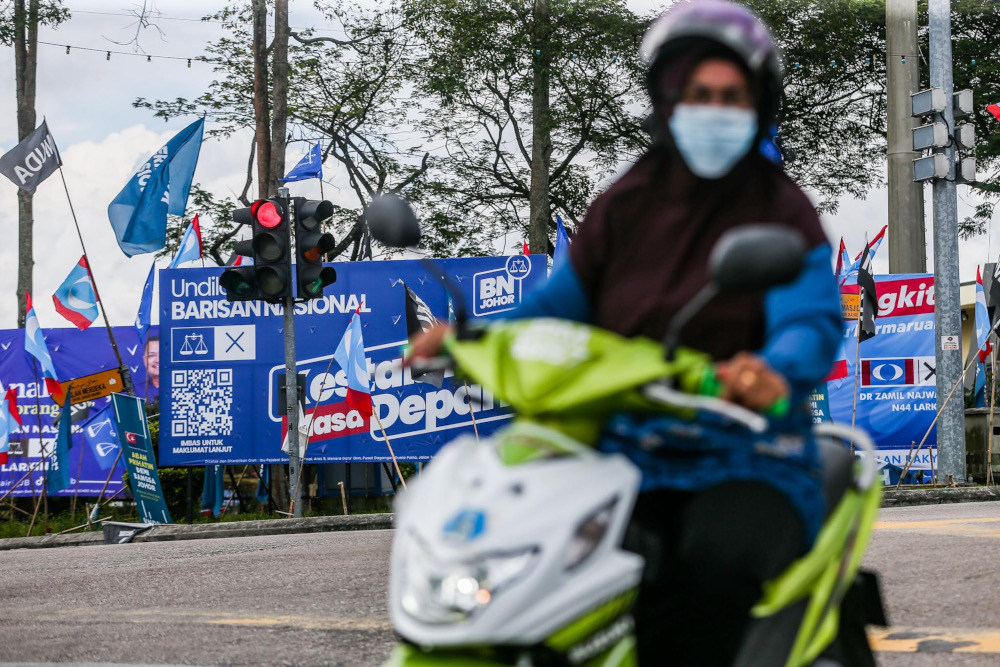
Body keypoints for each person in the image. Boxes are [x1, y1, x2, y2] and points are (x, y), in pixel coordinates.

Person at [408, 2, 844, 664]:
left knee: (703, 573)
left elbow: (808, 319)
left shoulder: (779, 208)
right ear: (667, 96)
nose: (715, 109)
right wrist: (471, 337)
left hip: (749, 456)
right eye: (700, 93)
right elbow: (561, 304)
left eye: (731, 95)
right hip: (621, 448)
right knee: (532, 565)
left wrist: (771, 372)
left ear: (758, 102)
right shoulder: (628, 200)